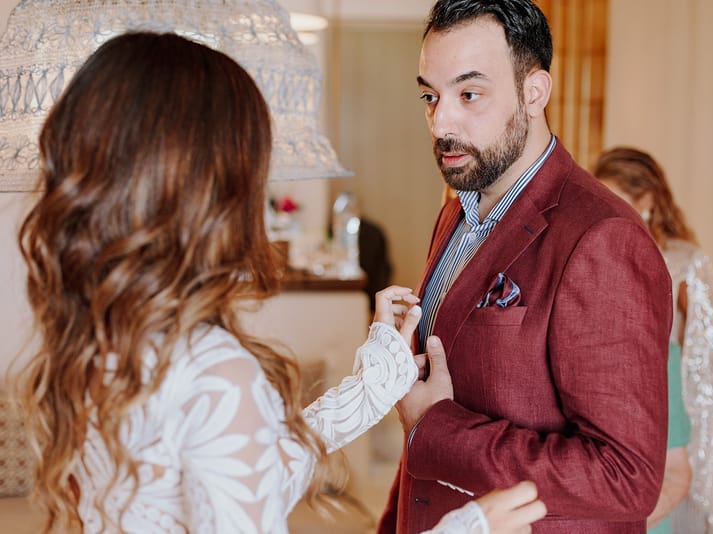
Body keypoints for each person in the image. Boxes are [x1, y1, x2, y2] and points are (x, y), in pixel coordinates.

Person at [14, 32, 547, 534]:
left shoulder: (107, 337)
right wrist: (467, 527)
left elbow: (253, 456)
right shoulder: (214, 371)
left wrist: (375, 380)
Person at [377, 1, 674, 533]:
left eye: (469, 94)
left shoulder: (602, 238)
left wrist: (436, 427)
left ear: (534, 93)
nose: (441, 120)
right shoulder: (457, 209)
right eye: (430, 95)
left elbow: (627, 478)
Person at [593, 147, 713, 534]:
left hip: (671, 402)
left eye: (616, 200)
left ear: (647, 201)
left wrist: (673, 364)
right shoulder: (602, 249)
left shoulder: (685, 261)